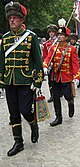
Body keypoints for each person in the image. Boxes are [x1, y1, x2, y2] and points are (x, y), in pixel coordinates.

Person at [0, 1, 44, 156]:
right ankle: (18, 142)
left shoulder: (31, 37)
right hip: (9, 81)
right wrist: (1, 80)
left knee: (25, 110)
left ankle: (33, 124)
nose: (12, 20)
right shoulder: (5, 39)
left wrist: (37, 81)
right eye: (10, 17)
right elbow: (2, 62)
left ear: (22, 20)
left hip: (26, 80)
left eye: (15, 17)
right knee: (13, 113)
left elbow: (38, 62)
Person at [44, 26, 80, 127]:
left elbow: (75, 64)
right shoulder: (53, 48)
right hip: (55, 77)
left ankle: (70, 102)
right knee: (56, 97)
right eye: (58, 35)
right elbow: (48, 58)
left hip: (66, 77)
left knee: (68, 96)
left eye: (62, 35)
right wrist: (45, 66)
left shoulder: (71, 49)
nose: (59, 37)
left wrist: (77, 77)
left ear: (66, 37)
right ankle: (58, 117)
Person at [43, 24, 58, 103]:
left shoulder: (58, 42)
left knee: (58, 80)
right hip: (50, 64)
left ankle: (58, 93)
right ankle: (52, 95)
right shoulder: (46, 43)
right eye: (50, 32)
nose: (51, 34)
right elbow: (45, 54)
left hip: (58, 63)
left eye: (52, 32)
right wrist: (45, 64)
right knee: (50, 81)